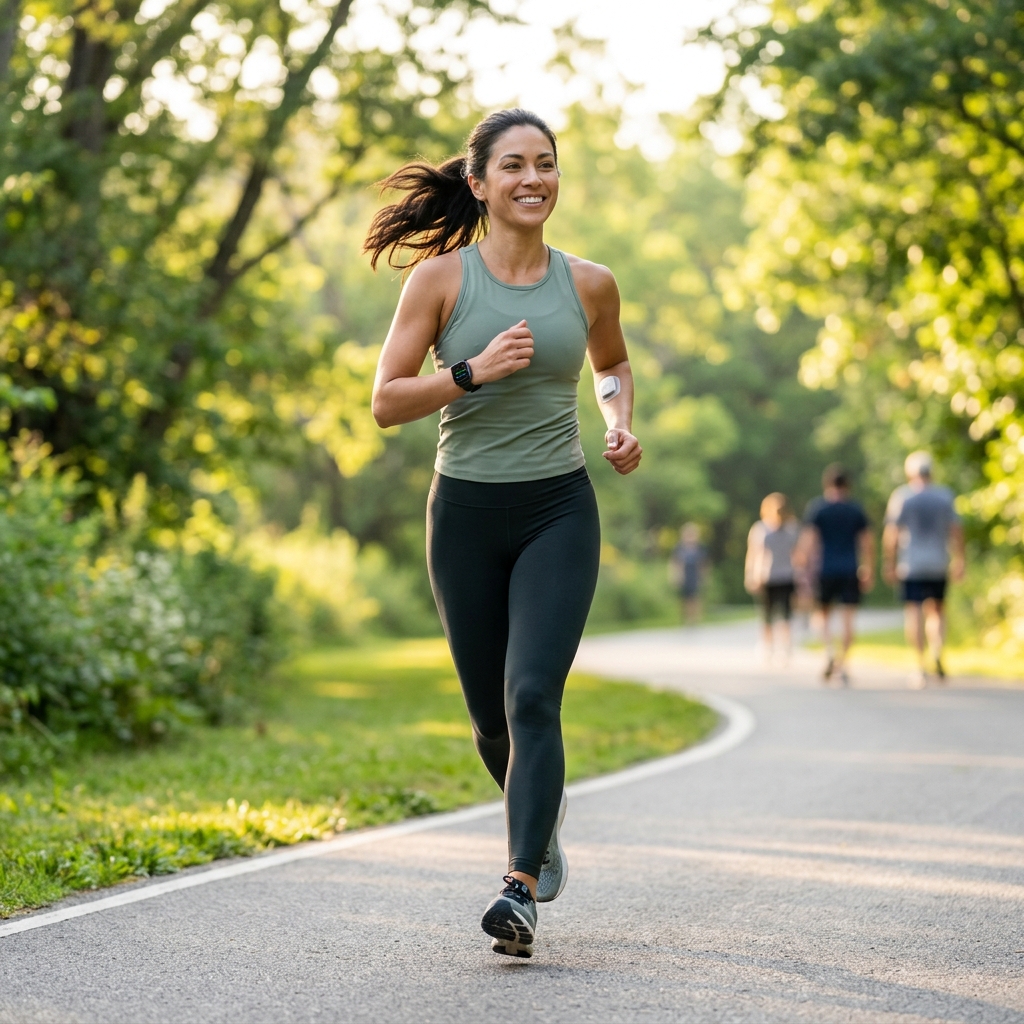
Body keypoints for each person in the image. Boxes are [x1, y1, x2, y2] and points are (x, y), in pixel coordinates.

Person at [365, 109, 642, 959]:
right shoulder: (443, 282)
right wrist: (471, 373)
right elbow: (385, 401)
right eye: (515, 165)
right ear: (479, 182)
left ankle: (518, 884)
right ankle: (541, 823)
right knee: (492, 718)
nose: (534, 179)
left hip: (559, 508)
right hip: (465, 516)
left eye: (547, 164)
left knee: (532, 696)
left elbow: (612, 366)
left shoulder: (588, 282)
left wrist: (619, 421)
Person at [882, 451, 965, 687]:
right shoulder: (945, 496)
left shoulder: (903, 497)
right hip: (939, 562)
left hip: (912, 564)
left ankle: (920, 664)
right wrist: (960, 560)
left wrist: (889, 562)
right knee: (937, 611)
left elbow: (892, 534)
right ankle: (937, 650)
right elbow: (957, 530)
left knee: (914, 612)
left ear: (910, 473)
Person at [796, 465, 875, 685]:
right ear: (848, 485)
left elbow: (808, 541)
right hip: (850, 569)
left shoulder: (818, 509)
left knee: (822, 615)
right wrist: (868, 568)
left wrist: (802, 565)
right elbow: (867, 542)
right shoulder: (855, 510)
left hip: (826, 570)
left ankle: (830, 652)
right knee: (848, 619)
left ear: (827, 484)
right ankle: (845, 664)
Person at [745, 493, 799, 664]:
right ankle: (775, 646)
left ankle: (778, 647)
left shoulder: (786, 529)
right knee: (775, 614)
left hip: (777, 576)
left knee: (777, 614)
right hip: (775, 576)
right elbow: (754, 553)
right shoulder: (766, 529)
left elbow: (797, 553)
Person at [670, 522, 707, 623]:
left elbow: (703, 563)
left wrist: (704, 576)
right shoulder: (679, 548)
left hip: (695, 574)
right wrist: (675, 576)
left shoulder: (700, 548)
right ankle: (686, 618)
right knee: (685, 598)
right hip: (684, 574)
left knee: (695, 597)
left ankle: (695, 618)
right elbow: (675, 562)